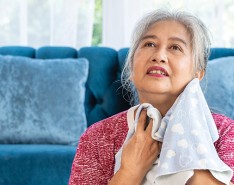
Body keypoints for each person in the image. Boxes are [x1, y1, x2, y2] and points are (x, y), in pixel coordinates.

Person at [68, 9, 234, 185]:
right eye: (149, 44)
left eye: (175, 47)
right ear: (131, 67)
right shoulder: (97, 137)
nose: (159, 56)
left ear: (197, 74)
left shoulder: (226, 133)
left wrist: (193, 144)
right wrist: (130, 171)